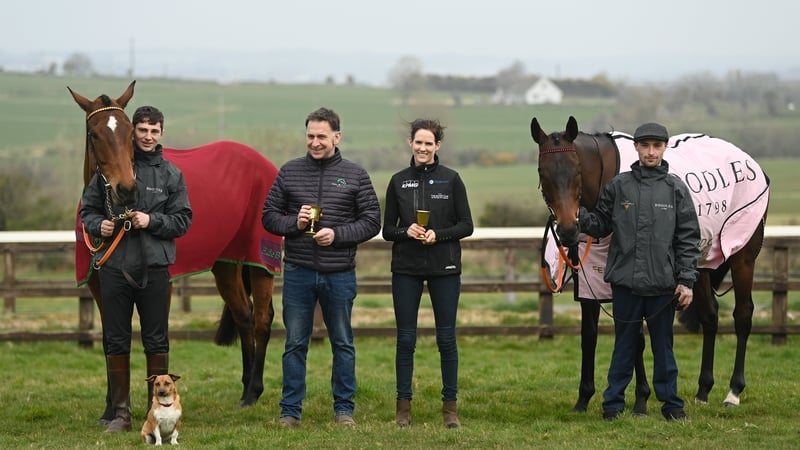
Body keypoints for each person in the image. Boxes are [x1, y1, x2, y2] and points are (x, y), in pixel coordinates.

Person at [262, 107, 381, 428]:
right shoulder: (289, 172)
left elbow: (372, 221)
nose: (314, 142)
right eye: (310, 136)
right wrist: (296, 223)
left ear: (337, 137)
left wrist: (338, 234)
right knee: (294, 344)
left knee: (342, 342)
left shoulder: (356, 174)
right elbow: (269, 216)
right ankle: (290, 411)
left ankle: (344, 410)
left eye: (321, 137)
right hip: (299, 271)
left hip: (340, 272)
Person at [577, 122, 700, 422]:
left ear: (664, 148)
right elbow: (600, 224)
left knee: (663, 350)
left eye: (656, 146)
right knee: (624, 347)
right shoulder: (619, 186)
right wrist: (576, 213)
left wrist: (686, 281)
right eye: (645, 145)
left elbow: (688, 238)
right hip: (625, 284)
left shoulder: (675, 189)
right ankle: (613, 405)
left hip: (662, 286)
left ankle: (672, 405)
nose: (650, 152)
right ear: (636, 147)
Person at [80, 106, 192, 432]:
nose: (147, 136)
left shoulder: (172, 175)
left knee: (157, 340)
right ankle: (120, 413)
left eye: (153, 131)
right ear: (133, 133)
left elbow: (183, 219)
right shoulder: (108, 172)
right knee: (115, 340)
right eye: (142, 130)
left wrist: (151, 220)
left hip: (155, 267)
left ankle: (154, 413)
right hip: (114, 267)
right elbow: (86, 211)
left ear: (161, 134)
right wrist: (96, 223)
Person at [382, 118, 474, 428]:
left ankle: (450, 411)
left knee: (446, 340)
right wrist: (405, 231)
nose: (423, 148)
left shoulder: (452, 180)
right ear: (410, 143)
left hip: (444, 268)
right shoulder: (397, 181)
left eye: (428, 143)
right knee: (405, 340)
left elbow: (467, 225)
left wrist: (440, 234)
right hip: (406, 268)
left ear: (438, 146)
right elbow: (387, 231)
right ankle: (402, 411)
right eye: (418, 142)